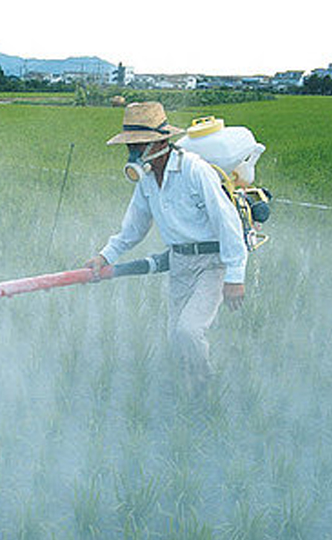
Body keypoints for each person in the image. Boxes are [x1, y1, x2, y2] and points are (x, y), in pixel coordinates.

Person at [84, 101, 247, 392]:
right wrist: (103, 256)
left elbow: (228, 222)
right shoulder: (146, 180)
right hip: (180, 263)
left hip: (212, 263)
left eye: (139, 145)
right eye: (130, 147)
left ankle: (205, 390)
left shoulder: (195, 171)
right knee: (176, 337)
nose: (133, 153)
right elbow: (133, 228)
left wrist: (235, 277)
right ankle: (185, 390)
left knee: (189, 331)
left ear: (161, 141)